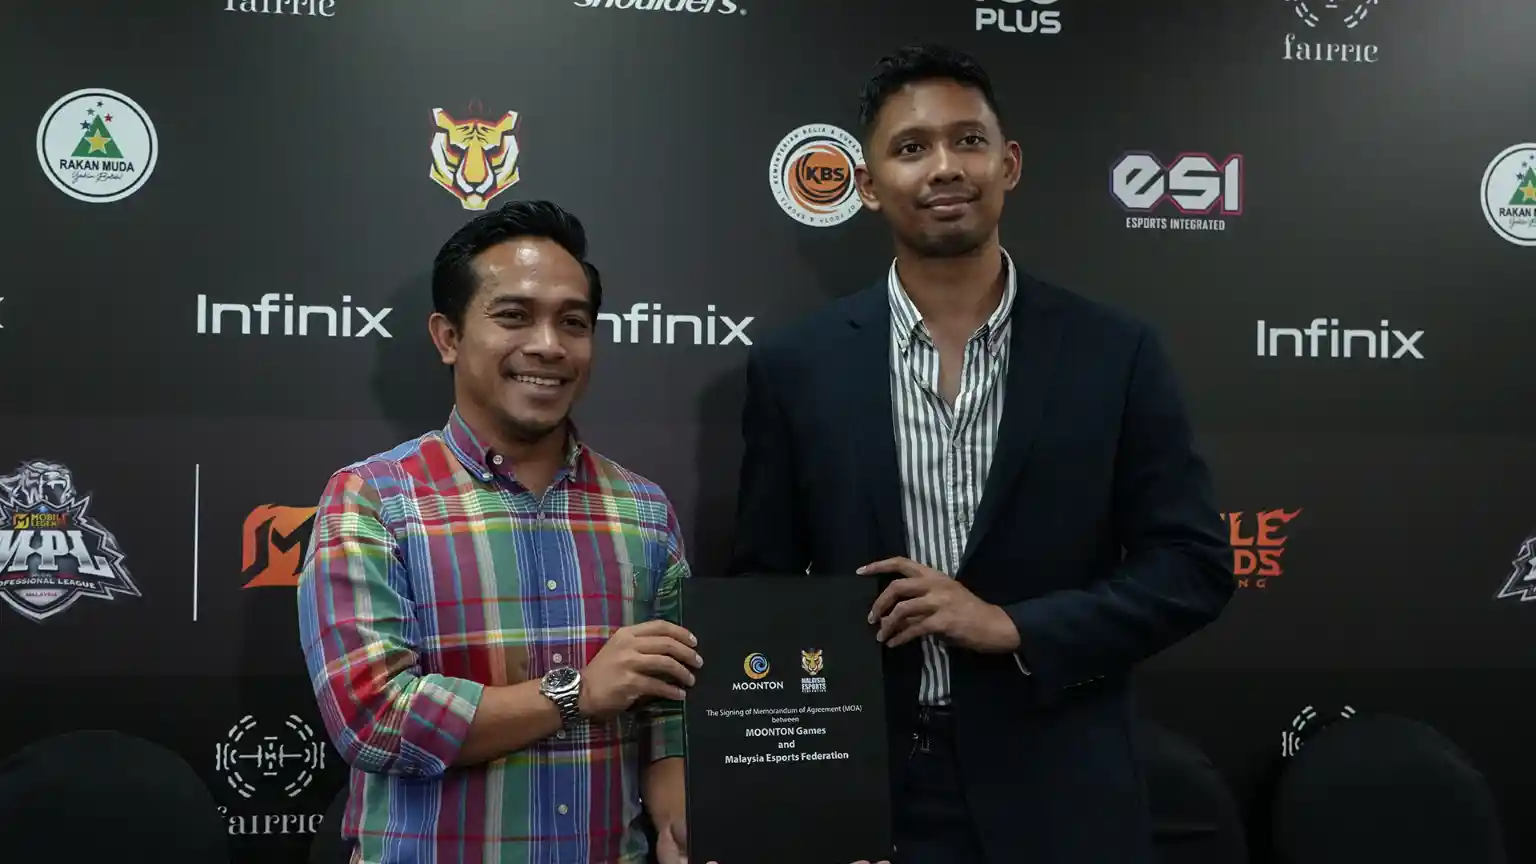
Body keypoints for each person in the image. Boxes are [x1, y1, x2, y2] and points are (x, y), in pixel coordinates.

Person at [729, 45, 1235, 864]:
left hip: (1065, 791)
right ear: (867, 184)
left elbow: (1193, 566)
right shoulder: (797, 367)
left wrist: (1013, 626)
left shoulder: (1115, 353)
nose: (945, 167)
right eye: (911, 147)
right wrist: (805, 795)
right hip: (874, 792)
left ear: (1009, 163)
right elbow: (765, 589)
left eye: (968, 140)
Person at [296, 200, 703, 864]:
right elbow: (374, 719)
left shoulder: (644, 510)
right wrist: (574, 693)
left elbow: (667, 713)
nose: (549, 345)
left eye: (573, 322)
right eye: (514, 315)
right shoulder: (372, 500)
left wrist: (676, 820)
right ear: (448, 337)